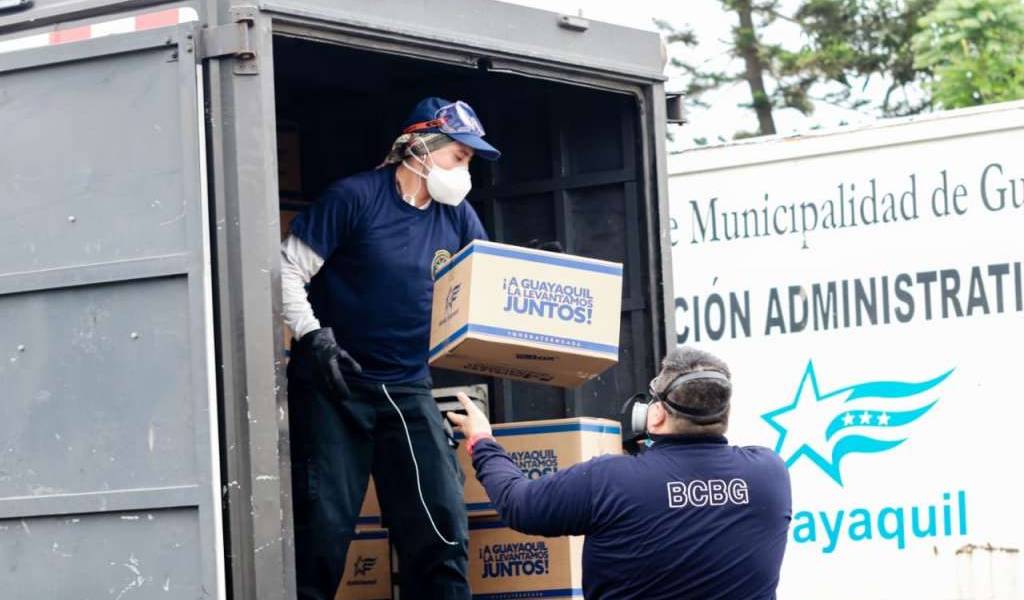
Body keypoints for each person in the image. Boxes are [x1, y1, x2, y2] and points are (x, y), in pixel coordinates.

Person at [281, 97, 500, 600]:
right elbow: (287, 269)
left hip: (407, 387)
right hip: (336, 388)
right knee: (322, 534)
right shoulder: (355, 198)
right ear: (419, 148)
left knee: (441, 528)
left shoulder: (458, 217)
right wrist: (314, 337)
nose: (465, 170)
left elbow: (485, 285)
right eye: (459, 156)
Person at [447, 347, 792, 600]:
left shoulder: (611, 480)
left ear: (654, 415)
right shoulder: (770, 475)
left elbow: (517, 504)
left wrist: (482, 440)